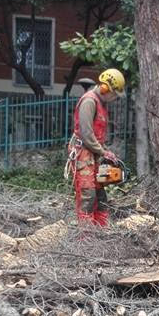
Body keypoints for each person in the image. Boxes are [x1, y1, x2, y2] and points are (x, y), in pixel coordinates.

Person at [66, 68, 126, 226]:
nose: (114, 99)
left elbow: (98, 134)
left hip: (95, 152)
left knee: (100, 195)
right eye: (114, 94)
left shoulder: (101, 103)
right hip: (83, 153)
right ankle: (86, 238)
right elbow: (86, 134)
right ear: (105, 88)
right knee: (88, 195)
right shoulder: (89, 101)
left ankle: (101, 230)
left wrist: (106, 152)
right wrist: (102, 151)